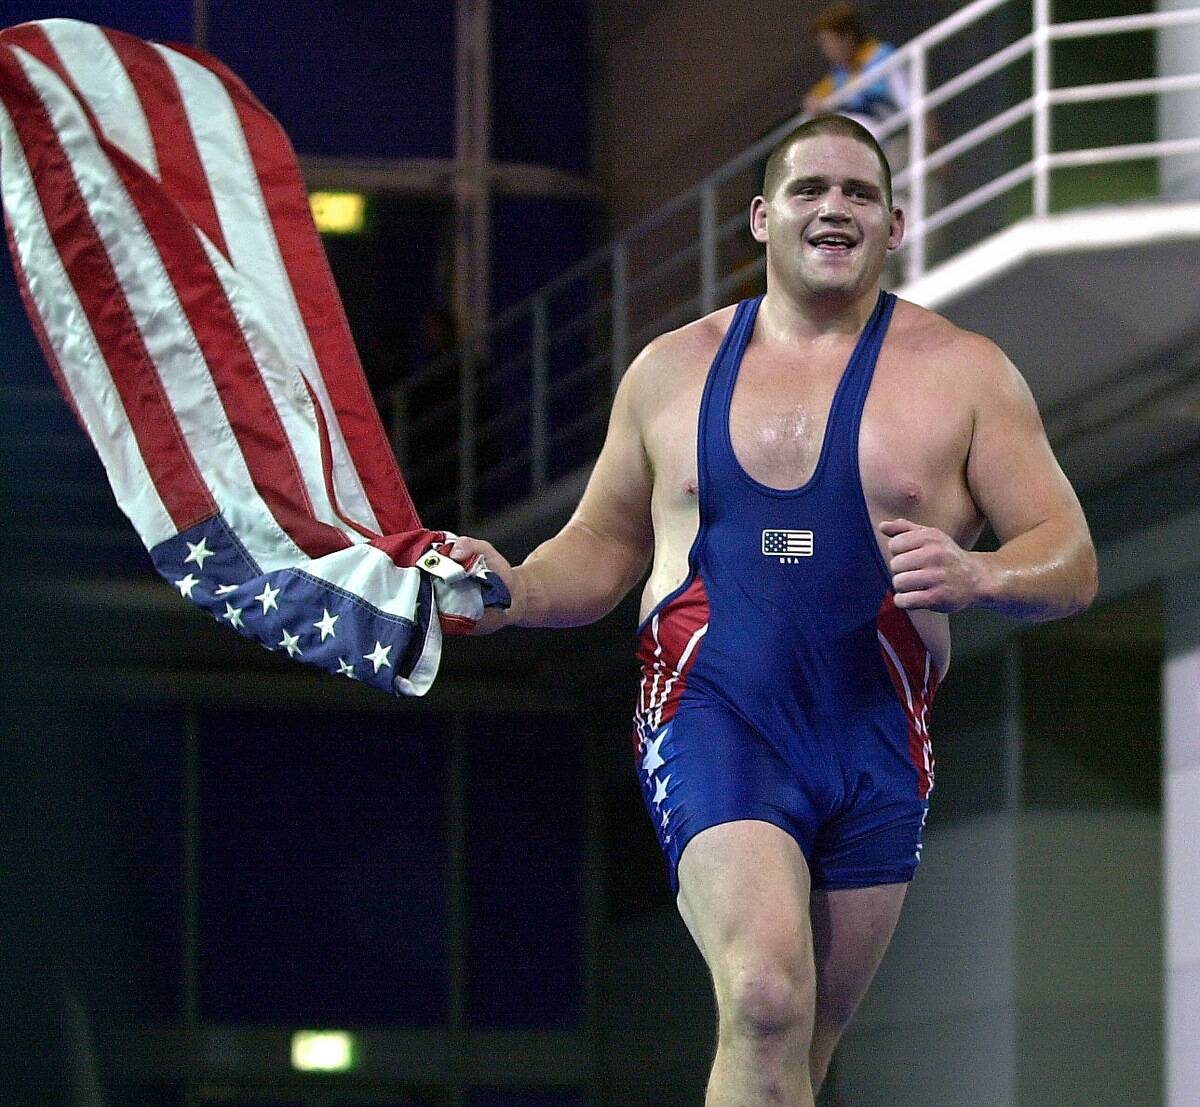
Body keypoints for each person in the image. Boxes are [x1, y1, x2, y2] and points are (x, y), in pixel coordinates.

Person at [449, 114, 1098, 1105]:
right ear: (760, 218)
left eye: (858, 194)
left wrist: (985, 578)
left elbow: (1071, 558)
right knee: (761, 997)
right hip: (716, 714)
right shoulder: (670, 373)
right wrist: (518, 590)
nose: (833, 207)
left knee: (799, 1052)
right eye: (808, 190)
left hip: (878, 734)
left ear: (894, 223)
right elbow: (602, 549)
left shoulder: (964, 373)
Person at [803, 4, 909, 137]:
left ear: (847, 37)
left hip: (898, 136)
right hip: (870, 147)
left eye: (828, 42)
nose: (826, 51)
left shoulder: (881, 56)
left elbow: (909, 98)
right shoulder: (839, 74)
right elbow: (816, 97)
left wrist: (929, 138)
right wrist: (813, 100)